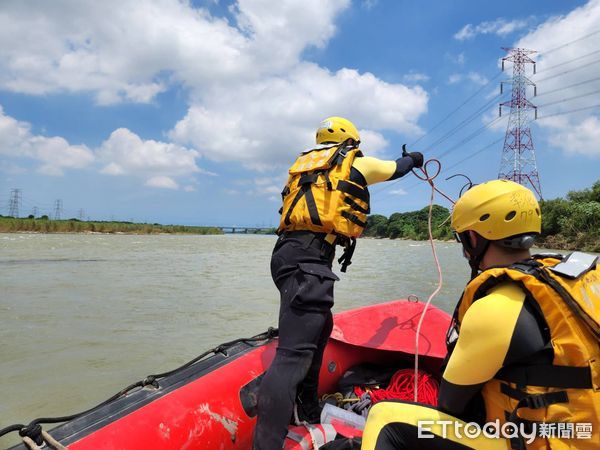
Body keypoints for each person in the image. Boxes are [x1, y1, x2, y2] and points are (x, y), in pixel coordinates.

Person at [362, 179, 600, 449]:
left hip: (544, 442)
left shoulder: (495, 307)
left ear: (472, 239)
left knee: (384, 417)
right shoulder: (580, 279)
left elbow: (450, 404)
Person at [253, 117, 424, 450]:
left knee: (319, 332)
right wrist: (414, 159)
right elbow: (396, 168)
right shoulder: (354, 162)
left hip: (288, 254)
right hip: (308, 262)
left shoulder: (305, 168)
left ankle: (307, 409)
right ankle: (266, 444)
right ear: (351, 142)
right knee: (293, 355)